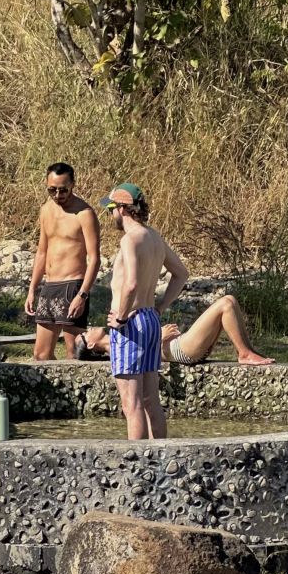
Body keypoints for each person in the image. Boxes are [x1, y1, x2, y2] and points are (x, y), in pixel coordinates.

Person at [101, 182, 189, 440]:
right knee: (151, 400)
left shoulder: (131, 239)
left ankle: (136, 465)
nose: (111, 216)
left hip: (130, 323)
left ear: (122, 209)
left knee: (132, 404)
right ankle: (160, 458)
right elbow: (181, 274)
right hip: (149, 319)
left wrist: (120, 317)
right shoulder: (154, 237)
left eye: (111, 209)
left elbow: (131, 285)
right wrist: (160, 307)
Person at [25, 162, 100, 360]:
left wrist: (82, 294)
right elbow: (42, 252)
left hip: (72, 285)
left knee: (73, 354)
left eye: (63, 190)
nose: (58, 195)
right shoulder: (46, 210)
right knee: (40, 355)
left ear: (73, 184)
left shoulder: (85, 214)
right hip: (49, 285)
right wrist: (32, 289)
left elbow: (94, 258)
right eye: (52, 190)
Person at [79, 294, 274, 368]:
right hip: (181, 351)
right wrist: (159, 337)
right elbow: (138, 359)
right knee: (225, 304)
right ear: (90, 345)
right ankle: (244, 353)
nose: (88, 328)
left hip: (182, 345)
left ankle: (249, 351)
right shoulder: (113, 351)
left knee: (230, 301)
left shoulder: (116, 336)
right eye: (85, 333)